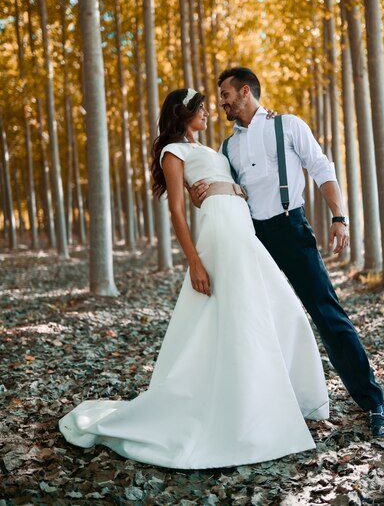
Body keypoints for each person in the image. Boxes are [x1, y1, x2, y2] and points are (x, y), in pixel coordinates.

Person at [58, 87, 330, 470]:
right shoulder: (174, 152)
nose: (208, 112)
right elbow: (176, 211)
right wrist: (194, 263)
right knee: (243, 314)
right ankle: (252, 414)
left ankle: (281, 398)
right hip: (220, 230)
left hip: (241, 222)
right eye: (201, 108)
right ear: (183, 114)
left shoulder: (215, 149)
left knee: (282, 308)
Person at [191, 66, 384, 438]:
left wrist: (339, 217)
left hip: (291, 227)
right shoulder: (227, 146)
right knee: (256, 320)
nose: (221, 103)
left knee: (327, 313)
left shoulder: (288, 125)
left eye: (226, 95)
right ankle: (269, 408)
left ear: (246, 91)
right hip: (251, 238)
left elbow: (320, 167)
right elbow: (229, 190)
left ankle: (373, 402)